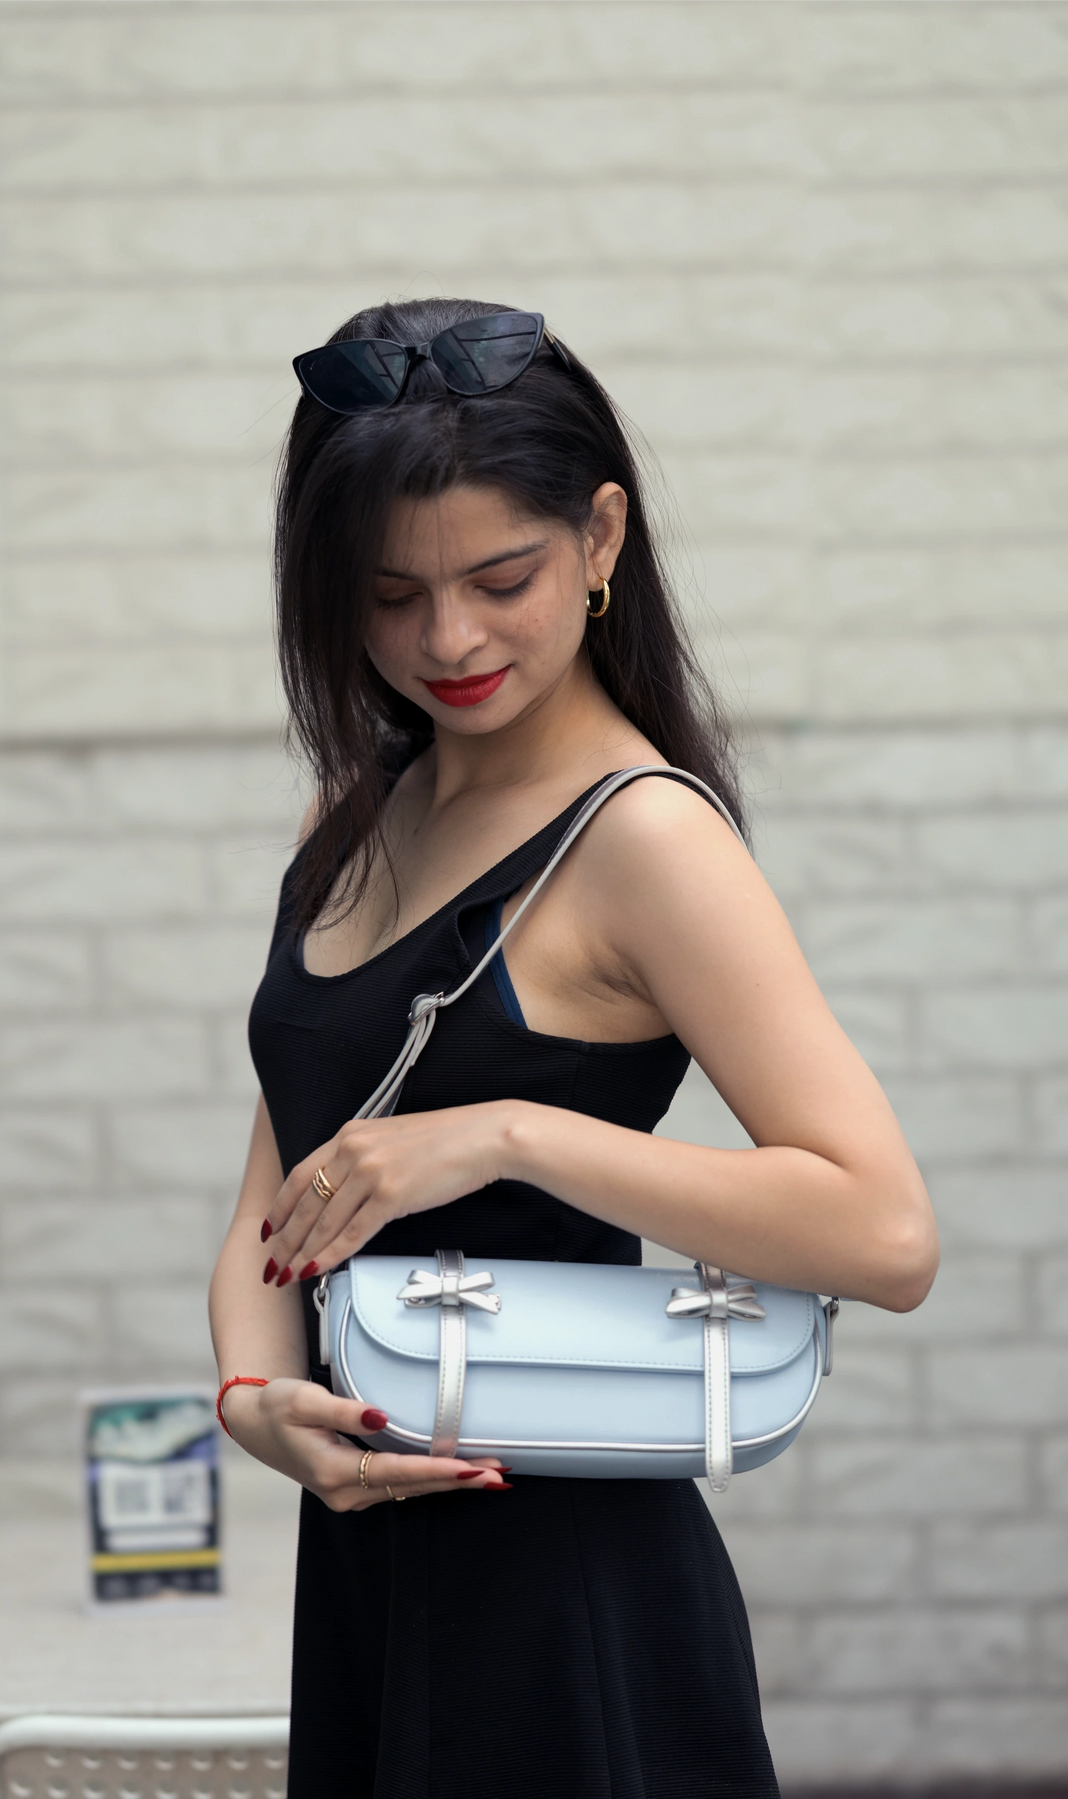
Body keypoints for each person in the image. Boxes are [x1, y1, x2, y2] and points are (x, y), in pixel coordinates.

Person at [208, 299, 939, 1799]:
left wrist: (504, 1131)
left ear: (602, 539)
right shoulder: (350, 816)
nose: (448, 637)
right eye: (389, 592)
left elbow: (885, 1230)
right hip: (366, 1570)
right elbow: (274, 1200)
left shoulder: (646, 836)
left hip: (571, 1591)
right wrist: (252, 1400)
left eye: (499, 577)